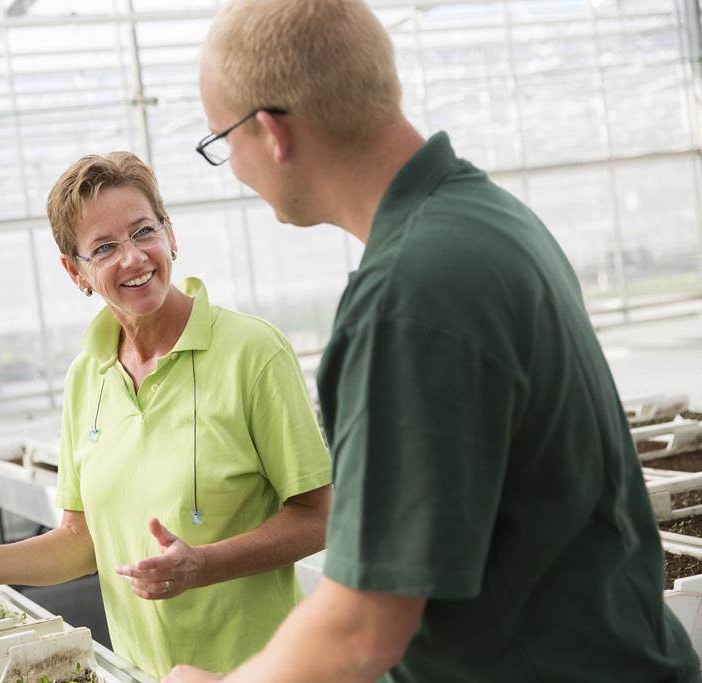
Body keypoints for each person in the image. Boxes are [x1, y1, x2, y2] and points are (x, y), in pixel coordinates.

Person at [165, 0, 701, 681]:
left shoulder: (409, 295)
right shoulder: (486, 217)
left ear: (271, 132)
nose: (233, 169)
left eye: (221, 142)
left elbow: (361, 629)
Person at [0, 151, 332, 679]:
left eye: (143, 232)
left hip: (261, 671)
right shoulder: (87, 376)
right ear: (75, 271)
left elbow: (320, 516)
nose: (133, 258)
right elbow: (81, 542)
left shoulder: (252, 352)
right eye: (104, 248)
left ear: (171, 234)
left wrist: (202, 565)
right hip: (142, 672)